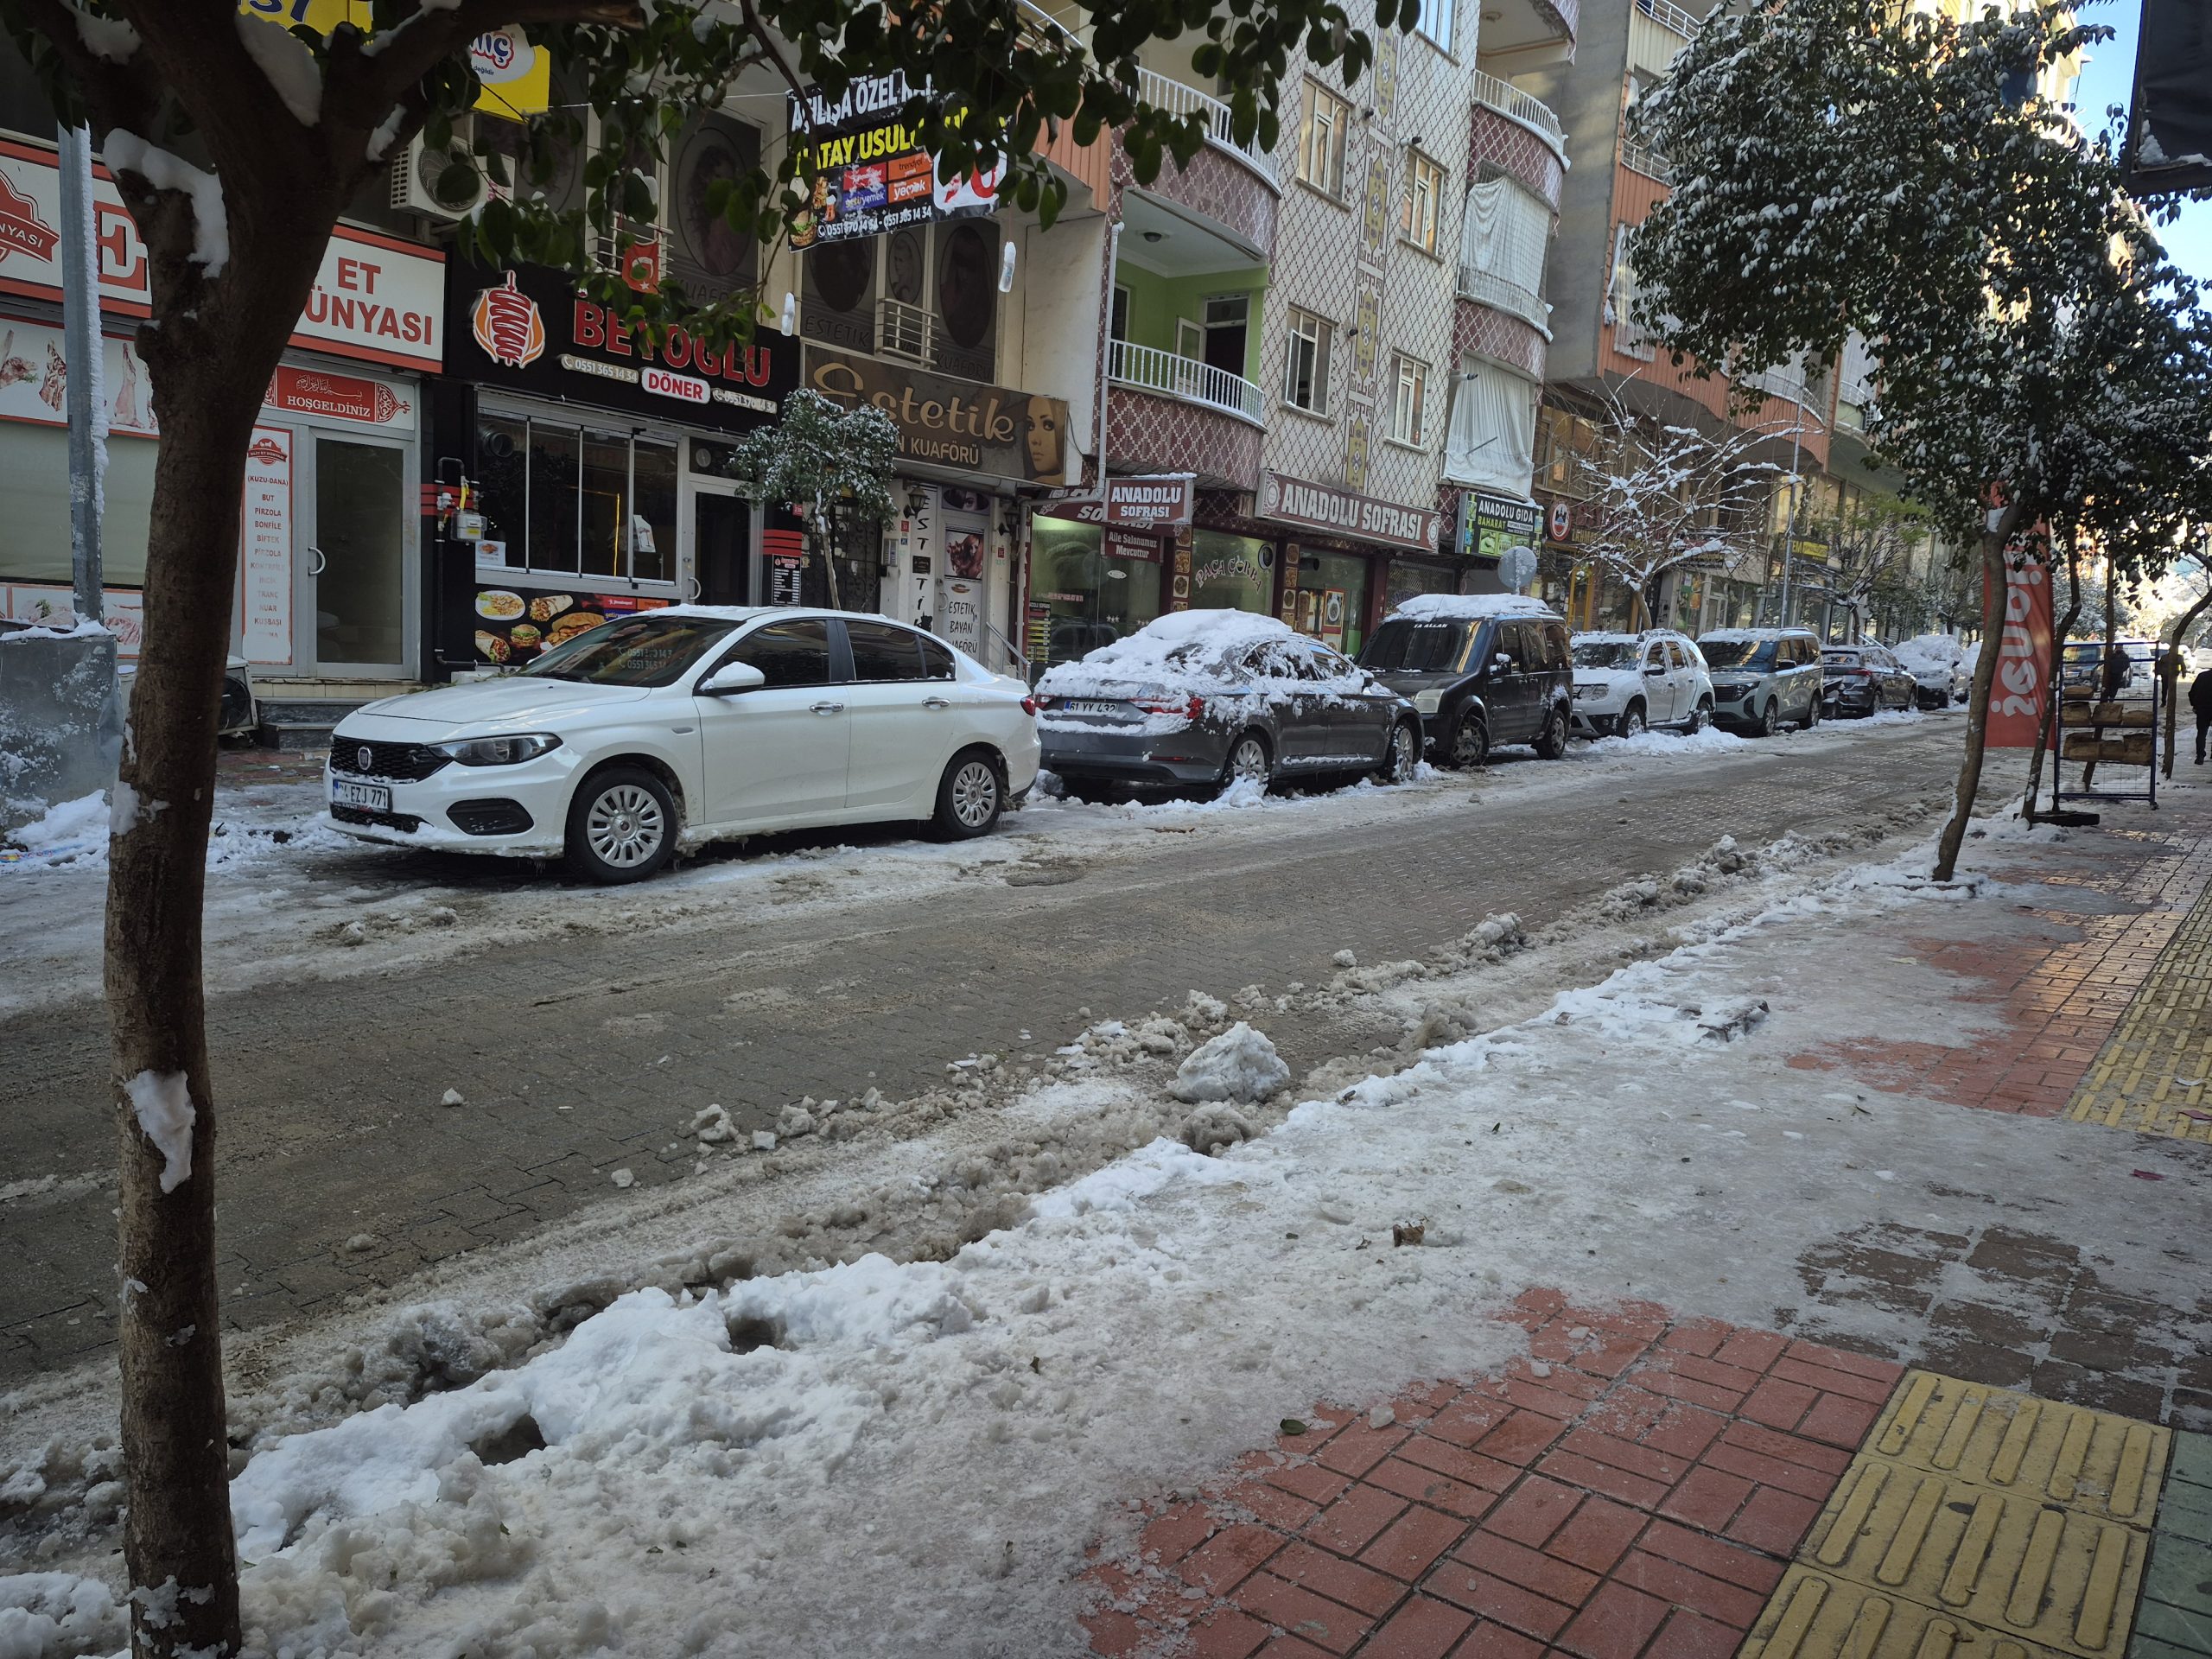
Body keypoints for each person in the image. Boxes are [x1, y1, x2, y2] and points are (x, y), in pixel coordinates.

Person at [2191, 662, 2212, 765]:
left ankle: (2200, 756)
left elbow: (2192, 692)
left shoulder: (2202, 676)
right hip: (2204, 708)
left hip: (2202, 709)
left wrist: (2195, 705)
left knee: (2201, 733)